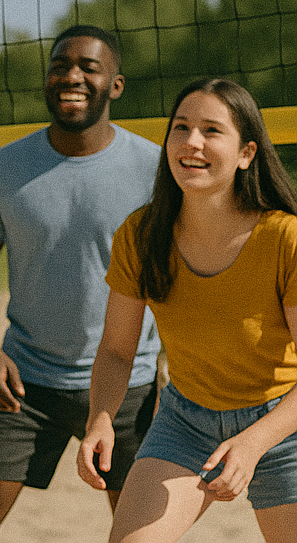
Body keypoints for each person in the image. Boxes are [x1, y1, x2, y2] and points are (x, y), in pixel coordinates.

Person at [0, 25, 161, 542]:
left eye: (89, 67)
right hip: (26, 379)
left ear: (115, 84)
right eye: (59, 65)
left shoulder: (157, 170)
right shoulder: (2, 169)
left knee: (141, 530)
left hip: (129, 384)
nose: (71, 76)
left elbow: (180, 275)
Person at [77, 77, 297, 542]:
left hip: (283, 424)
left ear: (246, 154)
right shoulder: (140, 235)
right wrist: (100, 418)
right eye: (181, 127)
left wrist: (253, 443)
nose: (192, 142)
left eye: (212, 131)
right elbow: (117, 352)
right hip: (185, 420)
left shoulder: (284, 238)